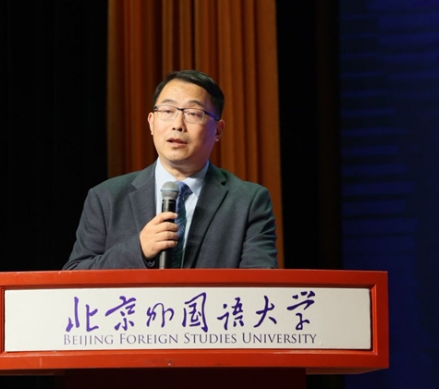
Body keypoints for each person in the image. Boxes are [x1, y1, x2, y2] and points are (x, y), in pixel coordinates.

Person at [63, 69, 278, 270]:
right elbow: (76, 275)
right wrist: (138, 249)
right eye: (167, 111)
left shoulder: (248, 201)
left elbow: (260, 284)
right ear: (151, 122)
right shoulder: (106, 197)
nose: (178, 124)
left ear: (218, 130)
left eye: (193, 113)